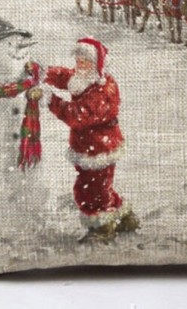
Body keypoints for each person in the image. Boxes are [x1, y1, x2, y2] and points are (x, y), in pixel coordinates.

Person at [44, 37, 139, 243]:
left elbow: (76, 115)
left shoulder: (102, 90)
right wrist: (44, 73)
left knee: (89, 190)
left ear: (97, 64)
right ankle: (124, 217)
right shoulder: (86, 79)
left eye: (85, 61)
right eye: (78, 60)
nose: (80, 64)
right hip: (89, 146)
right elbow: (66, 77)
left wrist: (51, 100)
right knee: (100, 186)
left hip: (99, 148)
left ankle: (102, 227)